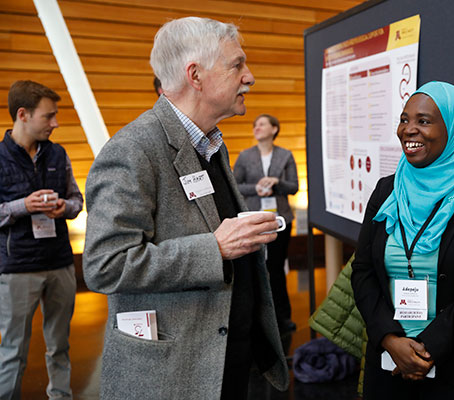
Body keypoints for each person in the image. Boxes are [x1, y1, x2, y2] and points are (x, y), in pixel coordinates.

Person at [82, 17, 289, 400]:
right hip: (171, 376)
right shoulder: (133, 150)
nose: (250, 77)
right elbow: (104, 264)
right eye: (237, 64)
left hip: (223, 360)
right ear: (195, 75)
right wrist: (215, 249)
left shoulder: (211, 145)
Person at [351, 81, 454, 399]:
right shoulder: (386, 190)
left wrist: (426, 348)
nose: (408, 130)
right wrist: (390, 339)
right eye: (404, 119)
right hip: (388, 367)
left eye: (423, 121)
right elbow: (363, 271)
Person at [0, 80, 83, 399]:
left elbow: (77, 200)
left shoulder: (58, 153)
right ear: (22, 114)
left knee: (60, 346)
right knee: (13, 352)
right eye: (49, 116)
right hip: (18, 268)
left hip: (60, 264)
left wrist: (65, 207)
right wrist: (25, 206)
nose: (56, 123)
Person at [233, 114, 299, 333]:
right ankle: (255, 319)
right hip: (253, 220)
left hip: (279, 221)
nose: (256, 127)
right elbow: (236, 186)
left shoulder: (286, 155)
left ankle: (283, 318)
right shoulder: (244, 156)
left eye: (261, 124)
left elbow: (294, 187)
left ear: (274, 128)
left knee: (277, 270)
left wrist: (277, 183)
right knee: (252, 270)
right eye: (255, 124)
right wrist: (257, 188)